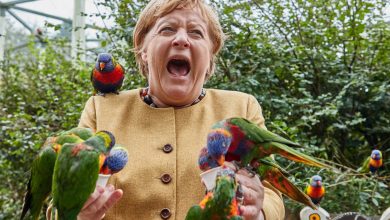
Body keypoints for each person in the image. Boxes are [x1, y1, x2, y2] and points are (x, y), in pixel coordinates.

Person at [75, 0, 285, 219]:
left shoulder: (241, 108)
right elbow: (60, 200)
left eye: (196, 33)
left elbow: (271, 195)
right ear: (144, 49)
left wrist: (257, 212)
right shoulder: (101, 109)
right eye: (167, 29)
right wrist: (79, 214)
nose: (182, 39)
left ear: (210, 55)